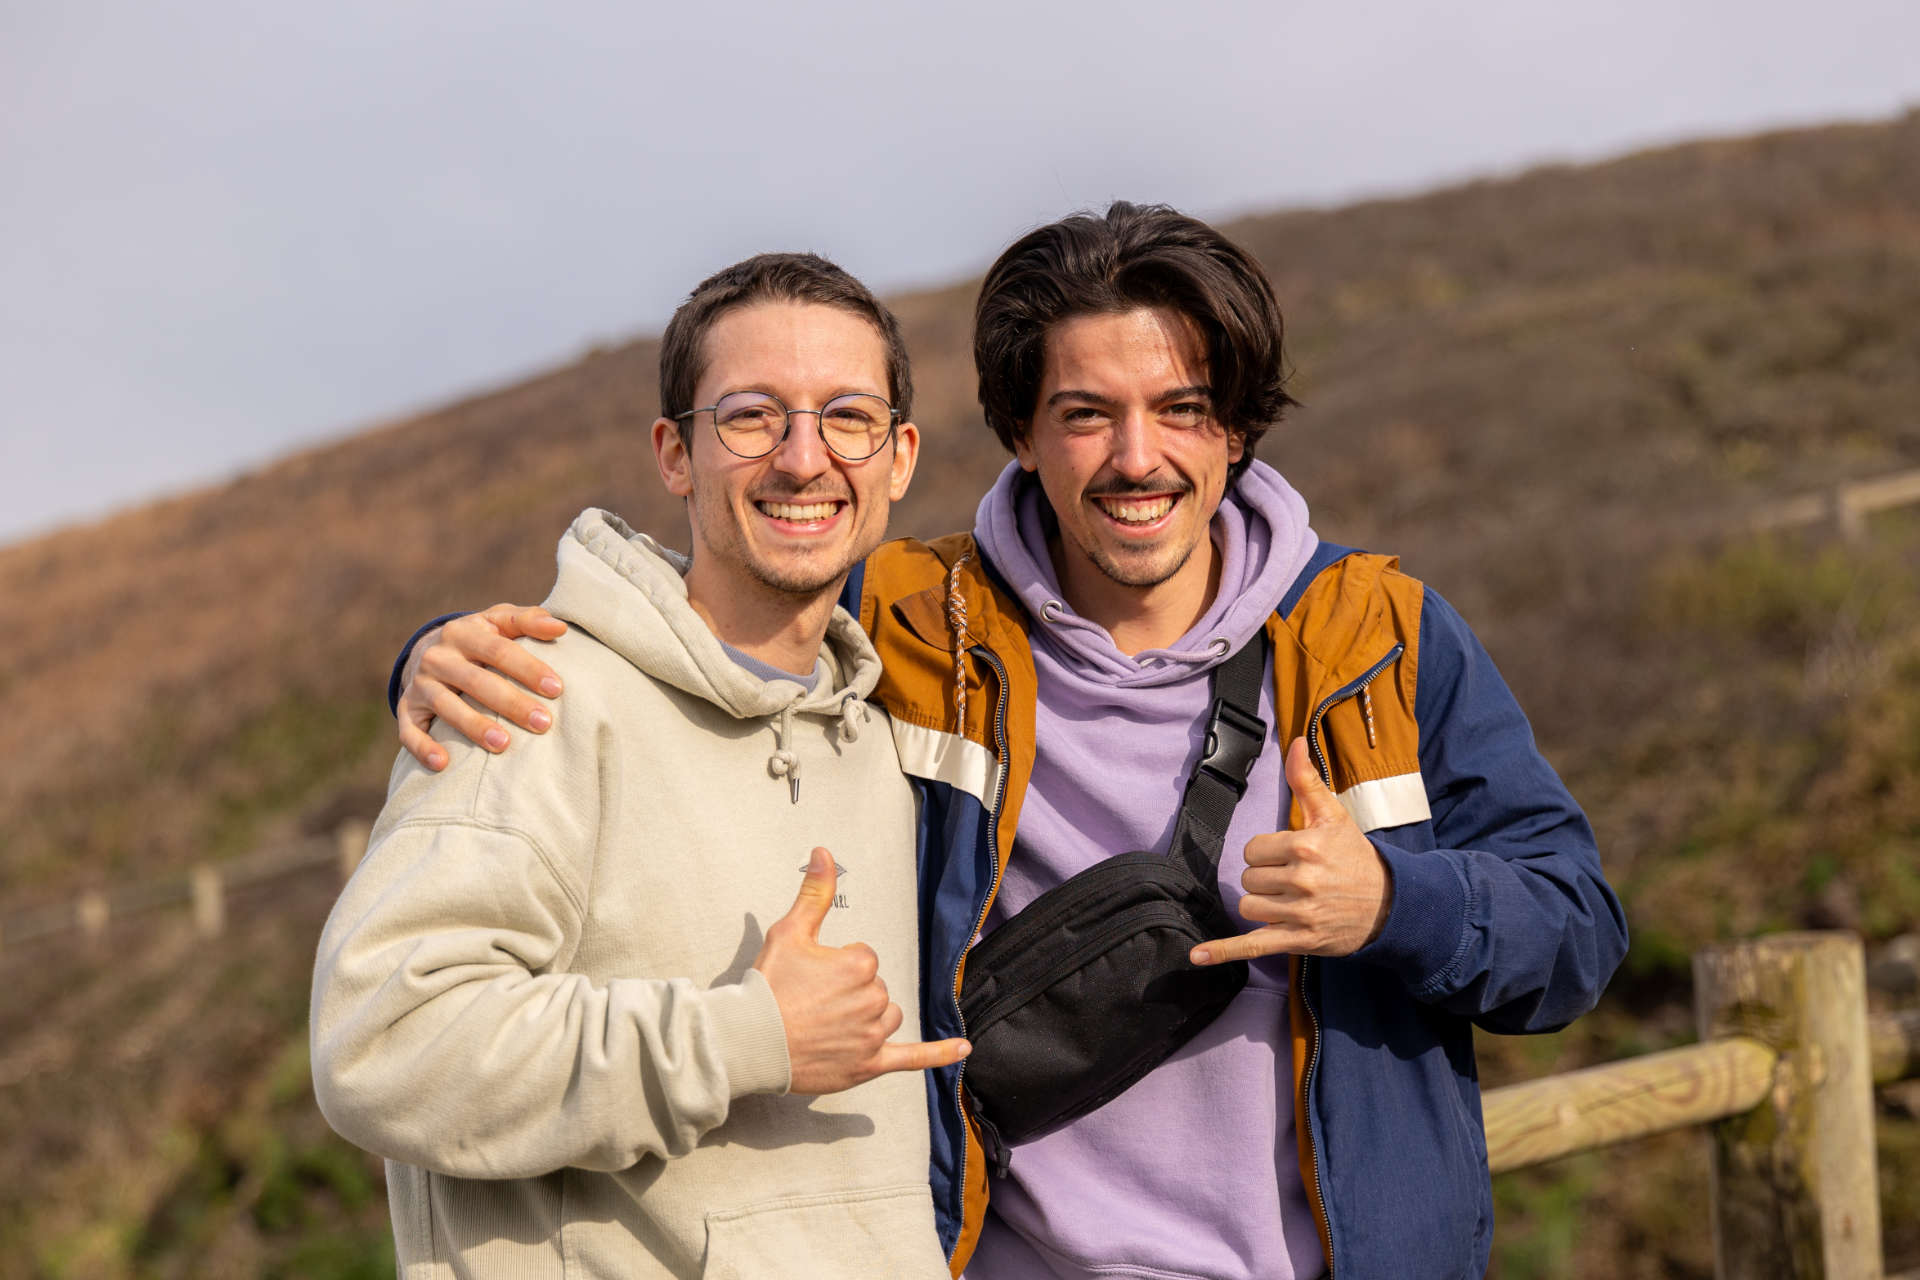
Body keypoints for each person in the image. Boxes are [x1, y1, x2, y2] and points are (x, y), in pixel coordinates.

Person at [391, 203, 1628, 1280]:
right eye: (1086, 413)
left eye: (1182, 410)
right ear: (1021, 432)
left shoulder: (1383, 637)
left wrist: (1393, 899)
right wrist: (449, 651)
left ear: (1238, 431)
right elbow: (713, 601)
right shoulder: (922, 625)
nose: (1137, 457)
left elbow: (1577, 930)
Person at [311, 252, 971, 1280]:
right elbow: (384, 1041)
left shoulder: (889, 738)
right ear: (674, 452)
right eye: (751, 416)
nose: (805, 459)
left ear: (899, 456)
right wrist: (742, 1035)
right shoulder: (533, 700)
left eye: (848, 416)